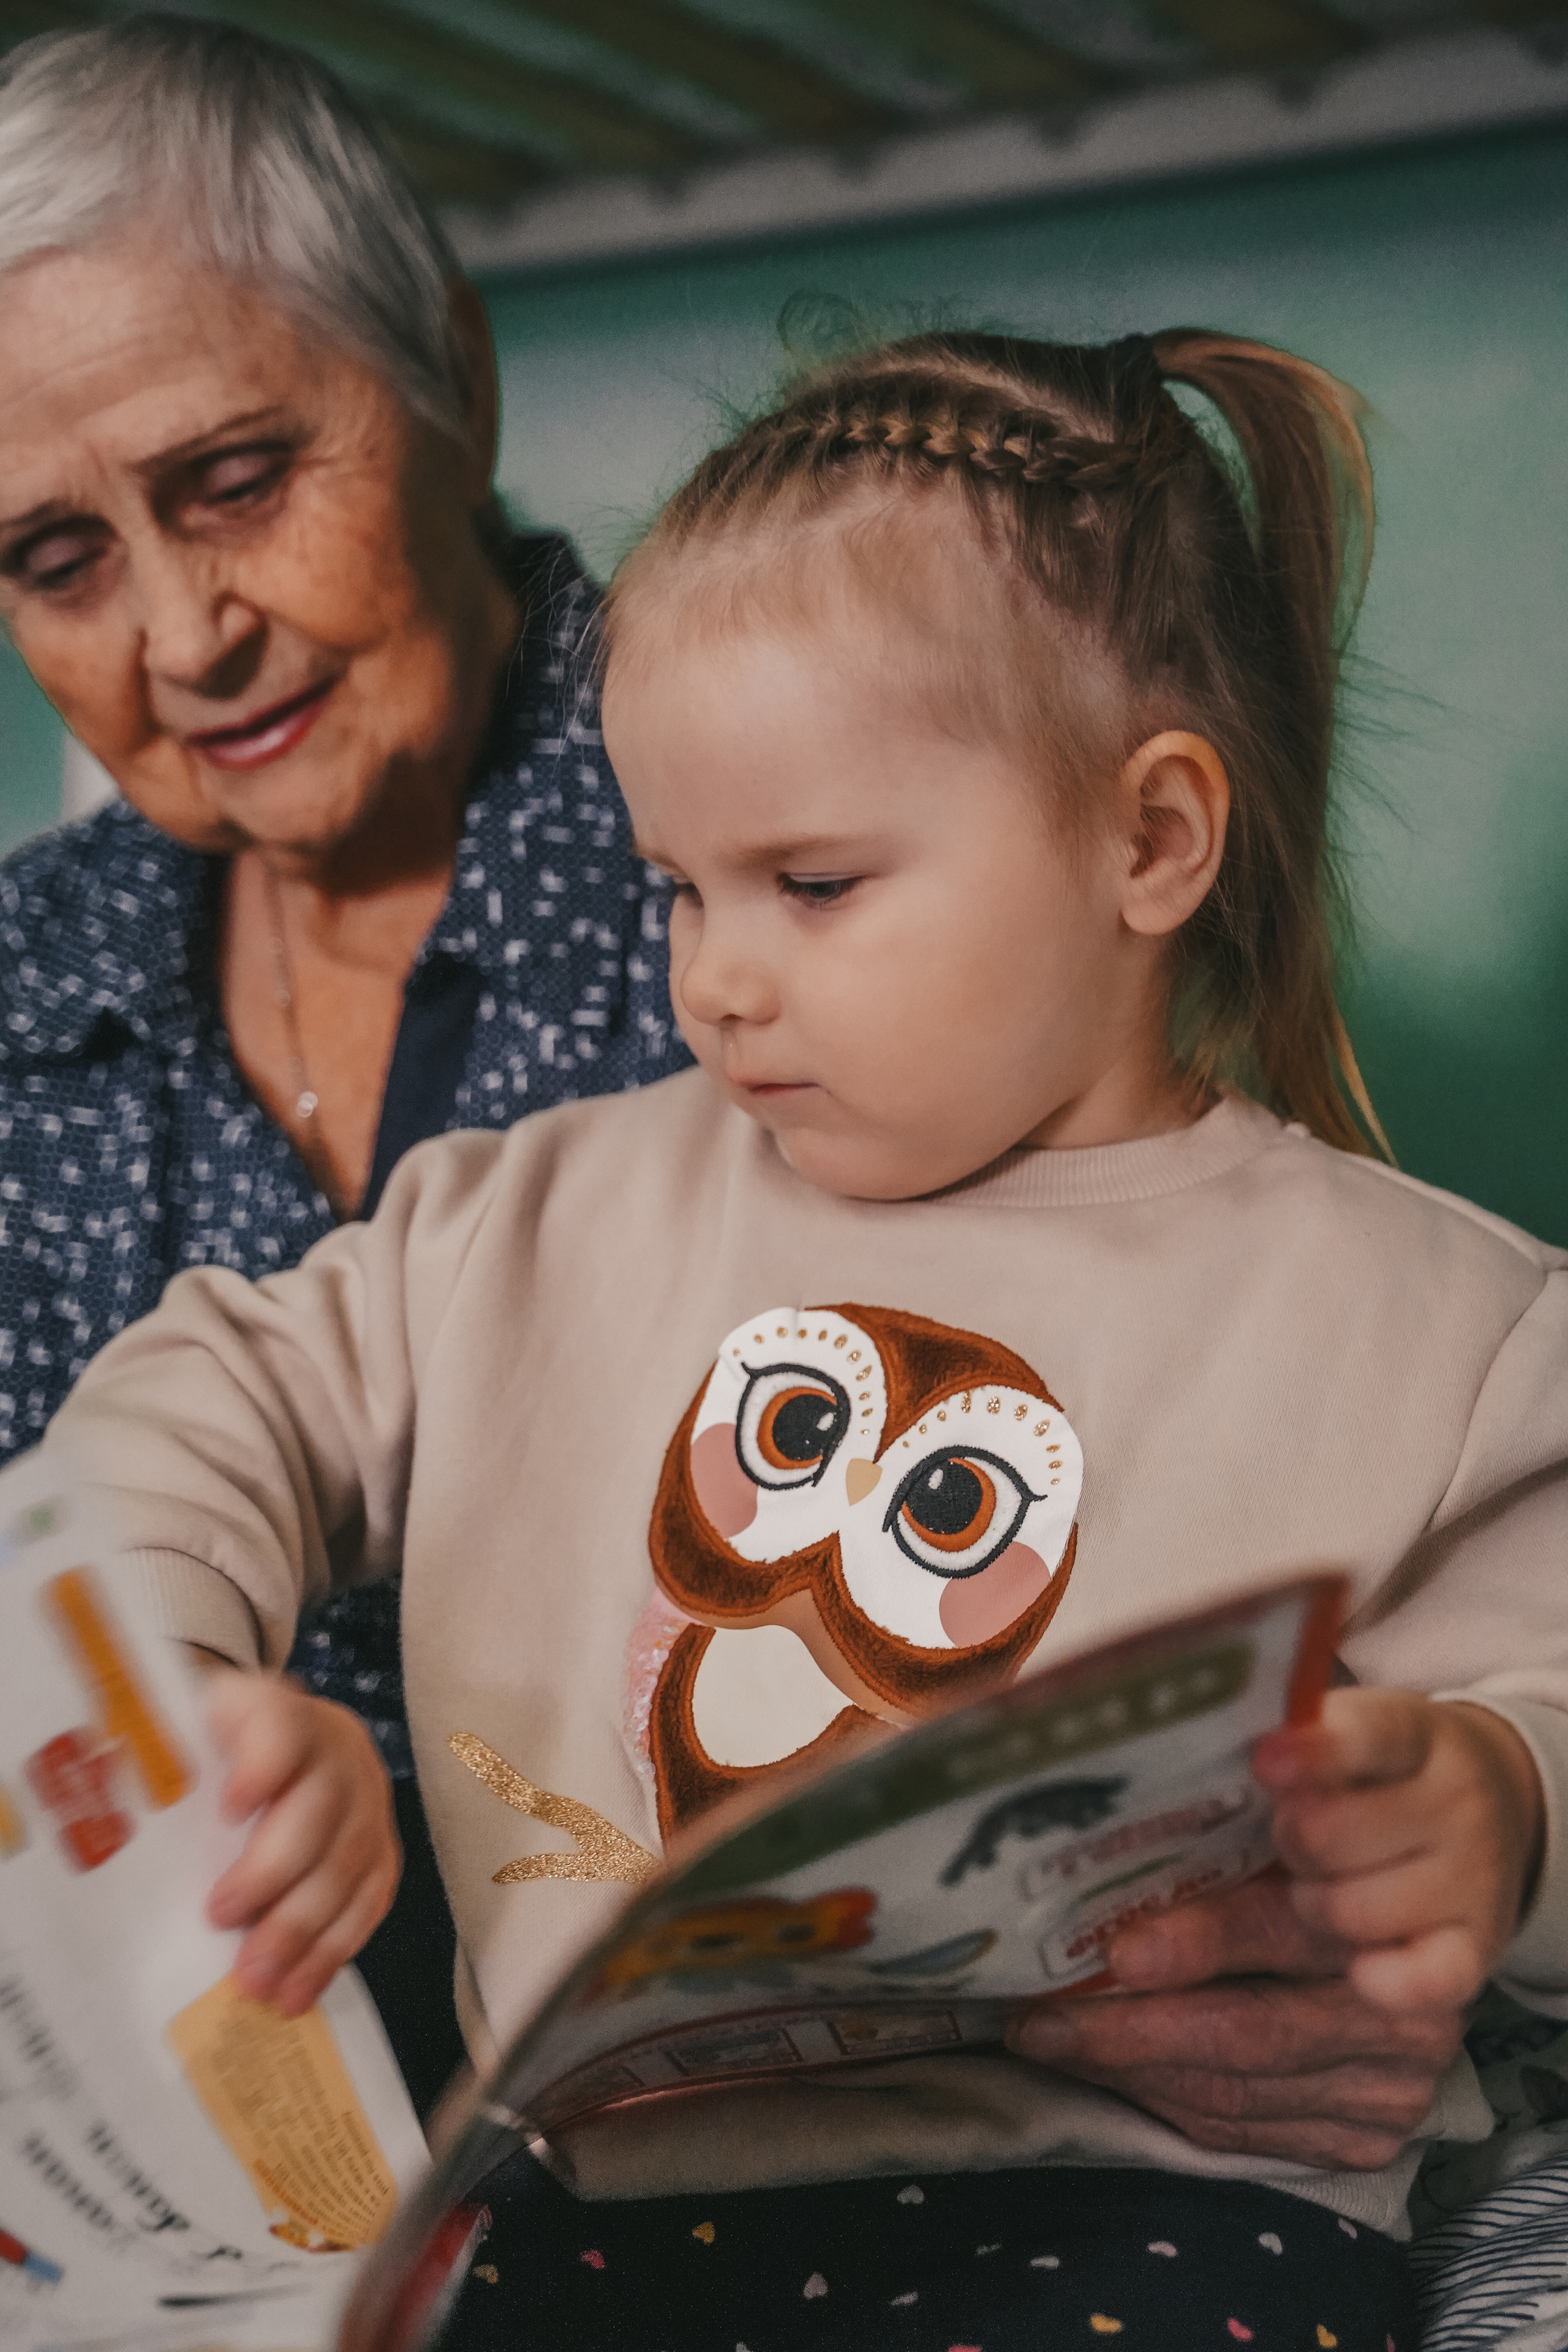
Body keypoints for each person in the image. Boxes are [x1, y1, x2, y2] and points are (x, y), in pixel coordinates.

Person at [44, 323, 1568, 2347]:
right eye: (677, 889)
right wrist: (184, 1689)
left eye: (814, 884)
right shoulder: (532, 1216)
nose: (717, 983)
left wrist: (1495, 1802)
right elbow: (207, 1391)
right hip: (599, 2227)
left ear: (1151, 843)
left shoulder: (1442, 1322)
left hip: (1161, 2231)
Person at [0, 15, 688, 2112]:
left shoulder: (778, 846)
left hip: (678, 2074)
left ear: (448, 381)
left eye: (237, 480)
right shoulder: (26, 986)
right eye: (59, 559)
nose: (188, 634)